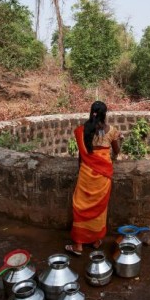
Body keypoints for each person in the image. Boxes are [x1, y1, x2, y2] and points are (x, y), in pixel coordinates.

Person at [65, 101, 121, 256]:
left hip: (85, 174)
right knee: (100, 208)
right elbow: (116, 151)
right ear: (105, 114)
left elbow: (81, 156)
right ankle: (96, 240)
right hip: (103, 175)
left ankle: (78, 245)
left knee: (80, 206)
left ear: (92, 112)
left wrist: (81, 171)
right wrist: (119, 139)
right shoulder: (112, 131)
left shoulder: (83, 130)